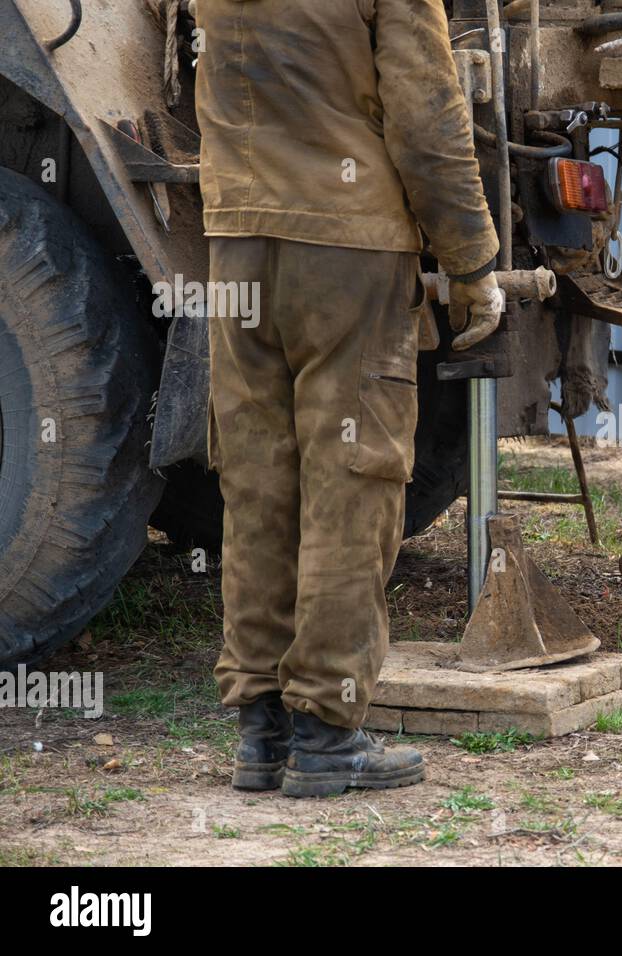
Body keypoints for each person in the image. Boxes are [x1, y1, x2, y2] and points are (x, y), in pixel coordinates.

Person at [195, 0, 502, 797]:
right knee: (351, 481)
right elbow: (427, 116)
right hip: (348, 247)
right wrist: (471, 260)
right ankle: (328, 735)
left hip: (237, 244)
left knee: (257, 480)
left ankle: (260, 732)